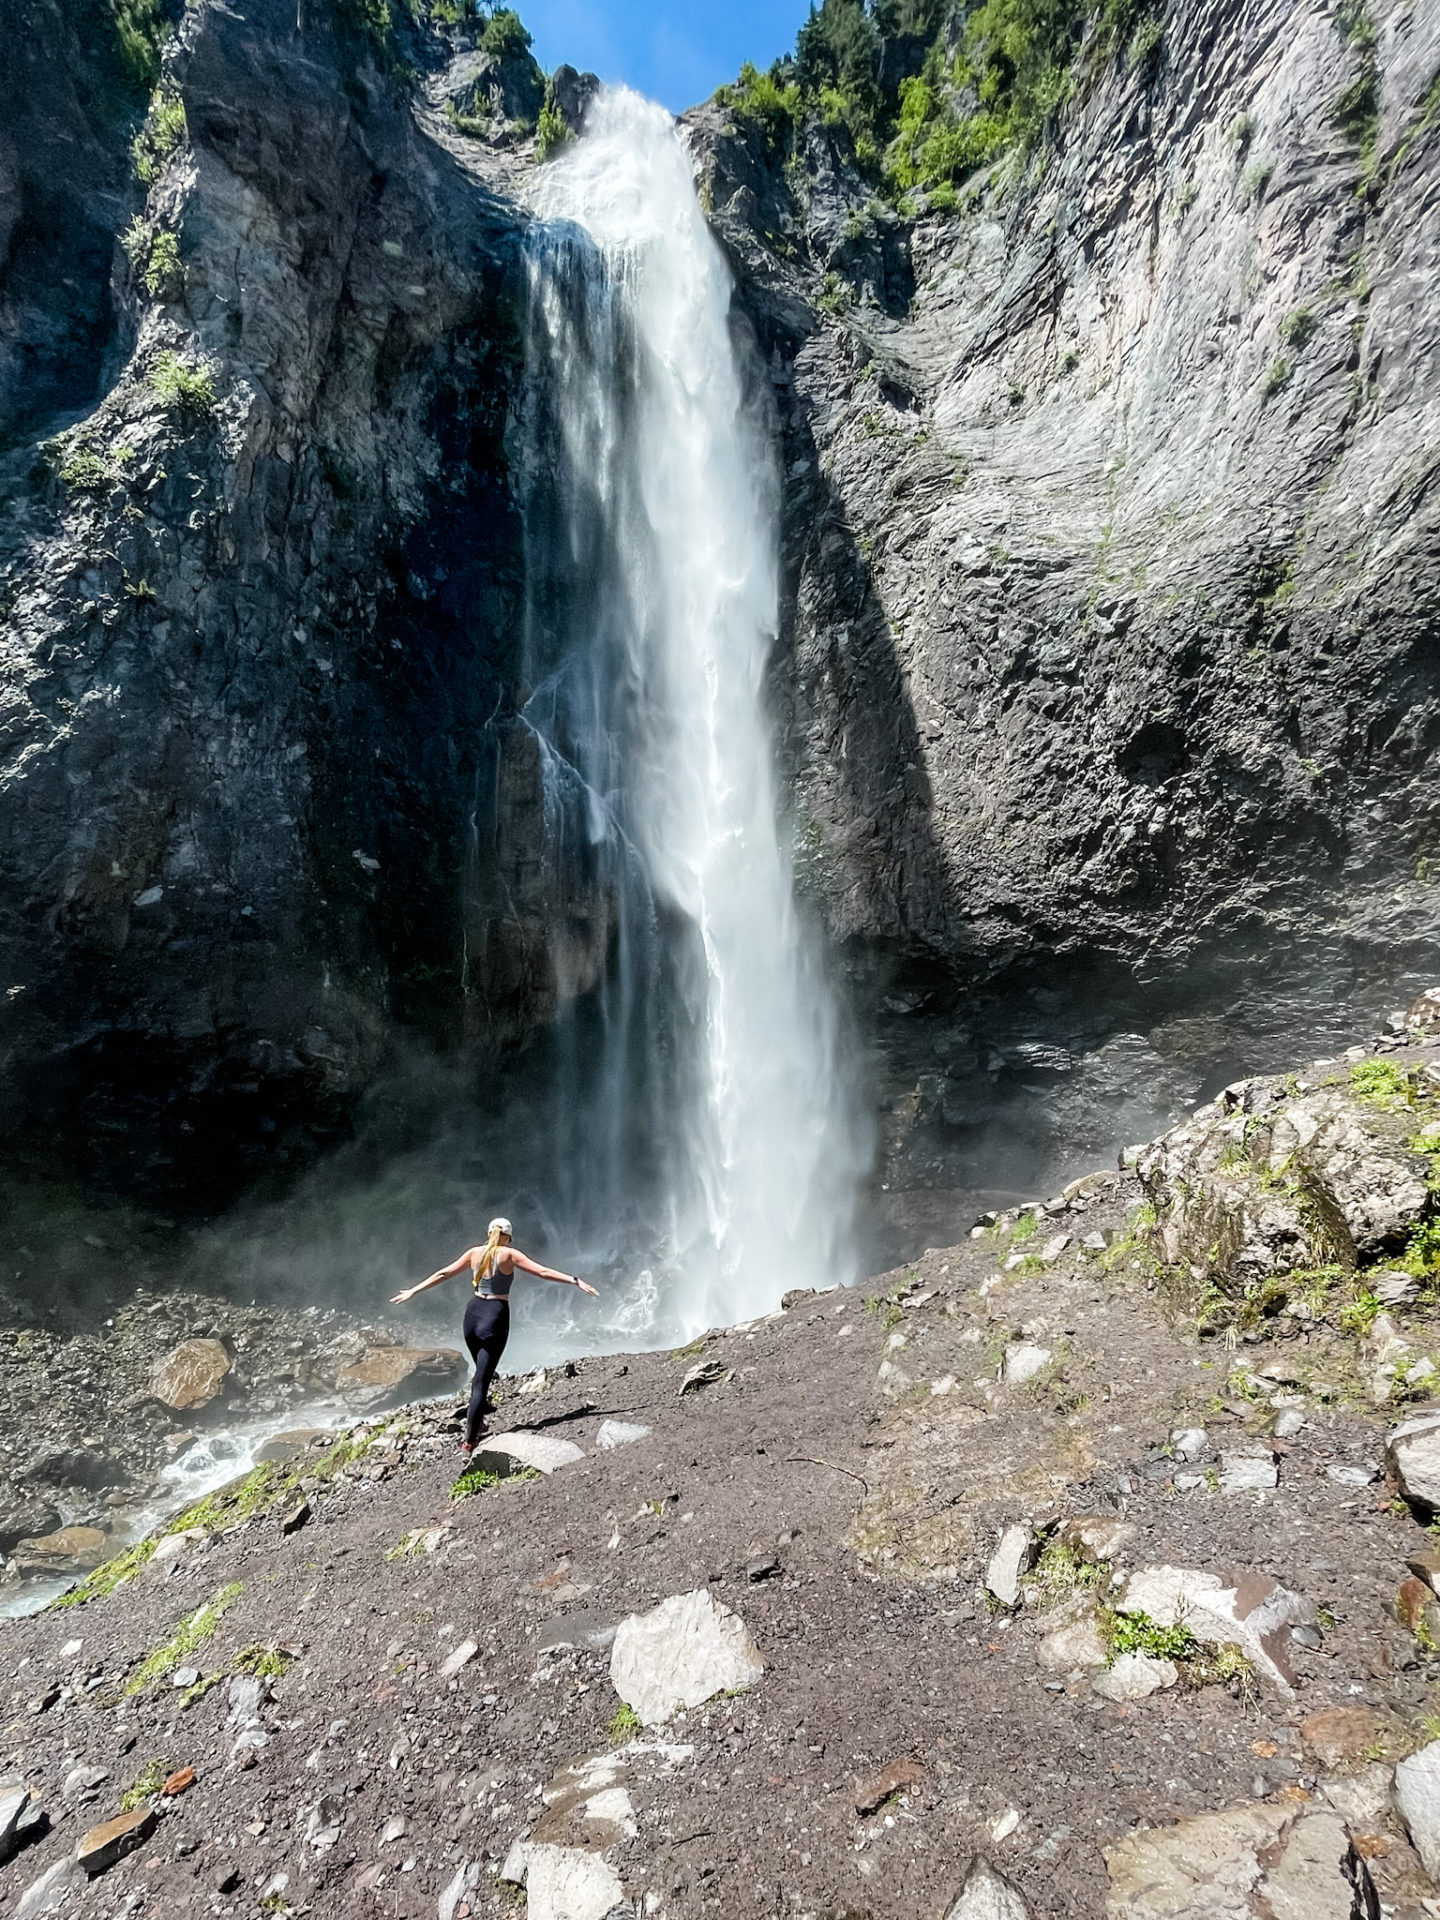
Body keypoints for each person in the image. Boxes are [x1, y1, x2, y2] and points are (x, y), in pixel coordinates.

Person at [391, 1217, 598, 1452]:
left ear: (489, 1233)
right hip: (495, 1315)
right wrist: (575, 1280)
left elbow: (443, 1274)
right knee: (481, 1382)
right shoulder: (510, 1255)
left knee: (480, 1374)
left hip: (472, 1315)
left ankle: (477, 1424)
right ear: (507, 1237)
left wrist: (413, 1290)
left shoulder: (473, 1253)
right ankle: (469, 1441)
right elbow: (542, 1272)